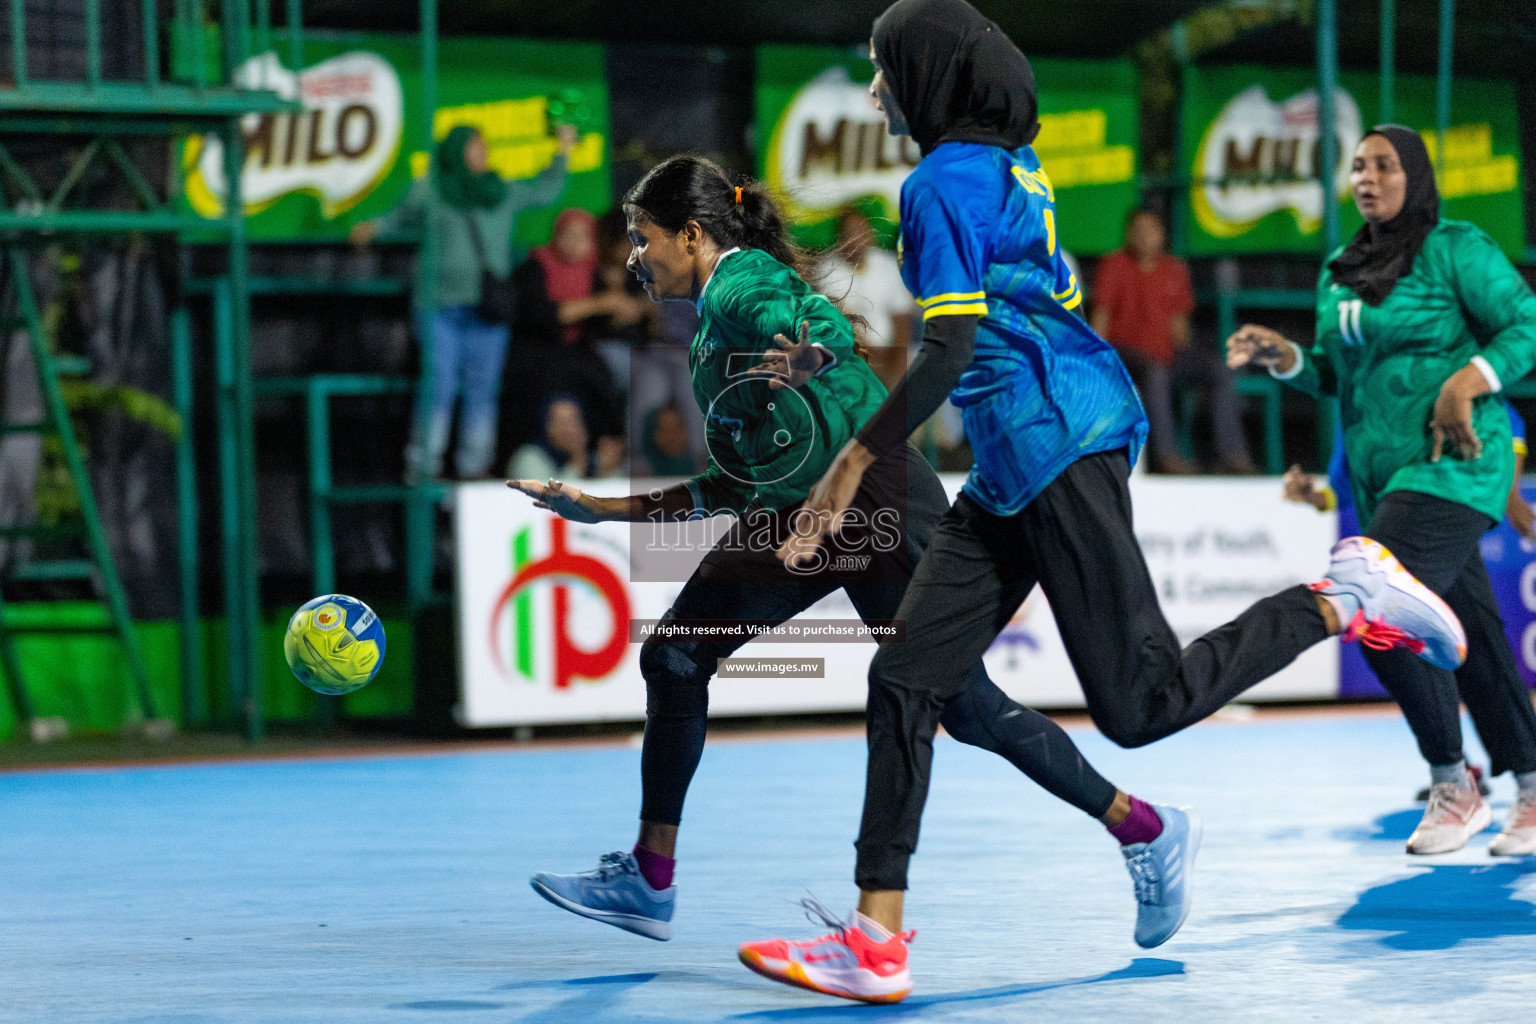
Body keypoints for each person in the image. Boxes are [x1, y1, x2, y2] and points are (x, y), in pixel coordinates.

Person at [743, 1, 1467, 1003]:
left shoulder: (940, 180)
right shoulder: (1004, 167)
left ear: (927, 75)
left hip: (1056, 443)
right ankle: (877, 938)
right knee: (910, 678)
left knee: (1140, 705)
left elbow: (951, 346)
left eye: (883, 67)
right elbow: (1007, 315)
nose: (874, 88)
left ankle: (1342, 596)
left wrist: (845, 467)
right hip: (1024, 449)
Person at [511, 155, 1182, 980]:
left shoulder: (740, 284)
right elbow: (732, 482)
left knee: (967, 708)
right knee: (676, 653)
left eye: (643, 241)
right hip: (801, 517)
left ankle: (1142, 825)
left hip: (881, 501)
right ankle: (651, 877)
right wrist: (603, 510)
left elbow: (820, 335)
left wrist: (804, 361)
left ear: (691, 235)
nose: (633, 260)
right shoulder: (708, 330)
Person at [1229, 124, 1536, 858]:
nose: (1367, 178)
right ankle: (1529, 782)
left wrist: (1469, 380)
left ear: (1417, 175)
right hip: (1380, 476)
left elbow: (1526, 326)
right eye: (1358, 166)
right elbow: (1337, 374)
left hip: (1455, 462)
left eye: (1385, 165)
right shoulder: (1340, 269)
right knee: (1478, 636)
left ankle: (1452, 781)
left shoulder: (1457, 248)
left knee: (1373, 599)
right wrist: (1284, 357)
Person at [351, 124, 574, 480]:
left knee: (482, 390)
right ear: (455, 152)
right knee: (438, 385)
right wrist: (372, 228)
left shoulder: (500, 191)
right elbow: (397, 217)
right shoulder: (432, 190)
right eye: (473, 147)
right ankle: (423, 468)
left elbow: (546, 191)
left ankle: (473, 471)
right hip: (440, 308)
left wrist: (562, 151)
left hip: (488, 311)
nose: (481, 153)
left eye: (483, 146)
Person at [1092, 208, 1255, 475]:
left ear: (1162, 234)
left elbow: (1180, 329)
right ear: (1129, 235)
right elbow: (1102, 318)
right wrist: (1097, 361)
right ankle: (1168, 458)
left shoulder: (1174, 269)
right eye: (1139, 231)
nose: (1145, 237)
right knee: (1156, 374)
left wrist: (1188, 356)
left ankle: (1234, 456)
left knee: (1219, 368)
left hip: (1167, 354)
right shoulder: (1114, 265)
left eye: (1151, 230)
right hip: (1125, 356)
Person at [507, 209, 630, 451]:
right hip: (537, 352)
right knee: (556, 382)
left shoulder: (594, 271)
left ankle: (605, 453)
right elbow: (540, 315)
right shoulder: (535, 266)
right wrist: (598, 303)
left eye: (583, 236)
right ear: (556, 236)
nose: (575, 243)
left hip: (579, 351)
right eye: (568, 235)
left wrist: (618, 301)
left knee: (604, 383)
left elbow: (603, 323)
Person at [815, 205, 917, 389]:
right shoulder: (827, 271)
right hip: (850, 359)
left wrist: (896, 369)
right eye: (849, 233)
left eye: (860, 232)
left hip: (891, 355)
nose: (855, 239)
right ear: (840, 239)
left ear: (870, 234)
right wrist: (879, 369)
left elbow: (901, 320)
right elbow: (846, 327)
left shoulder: (887, 265)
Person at [506, 393, 620, 481]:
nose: (570, 429)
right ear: (547, 426)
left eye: (575, 421)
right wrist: (577, 463)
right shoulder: (528, 458)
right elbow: (550, 502)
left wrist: (608, 470)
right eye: (563, 423)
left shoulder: (592, 459)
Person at [637, 402, 697, 476]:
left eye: (675, 429)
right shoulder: (640, 474)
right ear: (652, 434)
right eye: (664, 430)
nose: (671, 437)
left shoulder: (703, 470)